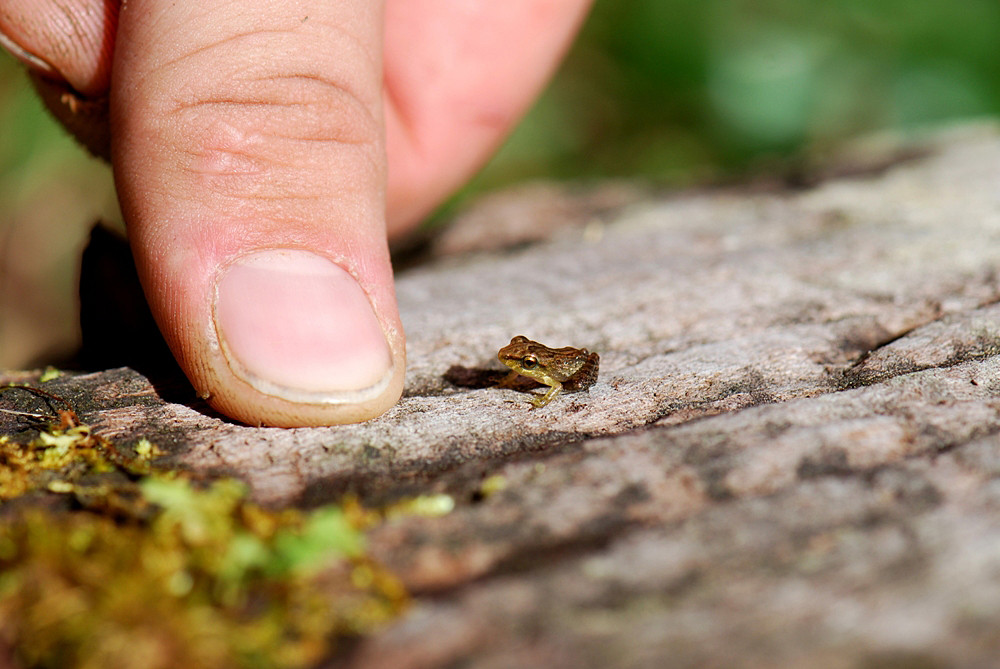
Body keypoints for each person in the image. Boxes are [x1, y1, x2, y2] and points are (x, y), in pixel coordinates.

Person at [0, 0, 592, 426]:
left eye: (518, 360)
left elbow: (552, 380)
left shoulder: (546, 371)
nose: (511, 361)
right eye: (518, 358)